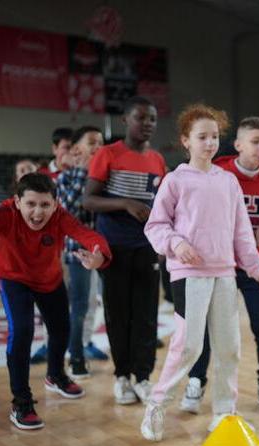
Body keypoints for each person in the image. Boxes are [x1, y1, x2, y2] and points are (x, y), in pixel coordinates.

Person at [140, 104, 259, 441]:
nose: (210, 143)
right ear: (186, 140)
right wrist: (175, 243)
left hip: (225, 275)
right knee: (188, 347)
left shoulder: (228, 182)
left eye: (215, 136)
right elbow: (155, 226)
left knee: (230, 346)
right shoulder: (175, 181)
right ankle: (156, 405)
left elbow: (242, 233)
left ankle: (224, 413)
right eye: (203, 137)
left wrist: (256, 267)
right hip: (189, 275)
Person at [0, 173, 110, 429]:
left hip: (49, 281)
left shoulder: (60, 216)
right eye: (31, 204)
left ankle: (56, 375)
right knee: (22, 332)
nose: (38, 213)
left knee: (62, 330)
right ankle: (21, 402)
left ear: (55, 203)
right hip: (13, 279)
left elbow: (90, 236)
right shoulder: (5, 215)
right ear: (17, 202)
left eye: (44, 205)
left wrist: (99, 255)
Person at [183, 116, 259, 414]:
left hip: (254, 267)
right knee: (205, 330)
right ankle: (195, 381)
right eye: (255, 141)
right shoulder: (219, 174)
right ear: (238, 144)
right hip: (219, 267)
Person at [83, 96, 166, 405]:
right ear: (125, 121)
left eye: (153, 119)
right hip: (113, 247)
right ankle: (122, 377)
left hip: (146, 247)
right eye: (141, 117)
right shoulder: (108, 154)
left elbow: (164, 205)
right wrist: (125, 203)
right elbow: (88, 200)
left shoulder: (158, 160)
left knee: (147, 315)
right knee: (118, 314)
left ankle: (143, 377)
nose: (147, 124)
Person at [57, 125, 108, 379]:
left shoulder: (106, 177)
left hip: (107, 251)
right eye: (92, 142)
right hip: (79, 252)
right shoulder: (65, 178)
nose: (98, 147)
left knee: (104, 304)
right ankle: (75, 355)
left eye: (101, 142)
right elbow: (71, 212)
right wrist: (81, 171)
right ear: (77, 149)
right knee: (79, 306)